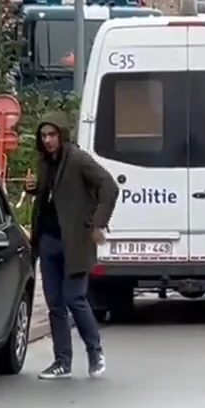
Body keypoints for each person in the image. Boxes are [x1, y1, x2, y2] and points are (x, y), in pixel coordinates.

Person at [26, 120, 119, 378]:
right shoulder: (44, 162)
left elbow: (109, 186)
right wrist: (33, 190)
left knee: (74, 298)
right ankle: (62, 361)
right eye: (43, 135)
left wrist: (98, 222)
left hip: (75, 241)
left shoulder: (78, 160)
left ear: (62, 136)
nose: (47, 140)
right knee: (54, 304)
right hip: (49, 240)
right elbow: (51, 196)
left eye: (52, 134)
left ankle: (95, 351)